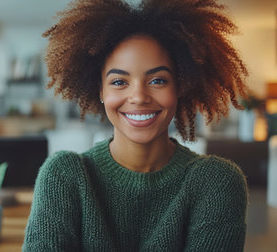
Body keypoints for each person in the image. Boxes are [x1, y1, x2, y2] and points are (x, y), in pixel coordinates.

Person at [23, 0, 249, 251]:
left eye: (158, 80)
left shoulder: (216, 183)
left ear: (180, 87)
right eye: (119, 81)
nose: (139, 97)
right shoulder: (64, 176)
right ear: (100, 91)